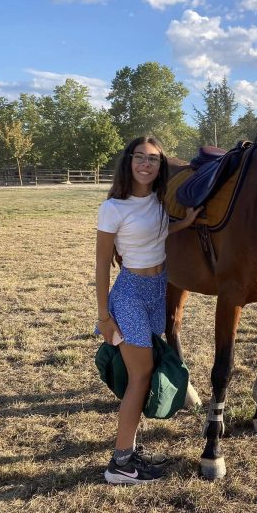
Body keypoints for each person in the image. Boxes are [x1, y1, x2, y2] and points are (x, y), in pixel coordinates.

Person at [95, 135, 200, 485]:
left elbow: (160, 231)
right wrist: (104, 317)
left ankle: (129, 451)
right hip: (129, 295)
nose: (145, 163)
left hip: (157, 291)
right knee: (140, 378)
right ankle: (120, 465)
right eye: (139, 157)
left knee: (142, 375)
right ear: (129, 162)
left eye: (153, 159)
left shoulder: (158, 202)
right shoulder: (114, 207)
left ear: (160, 167)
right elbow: (100, 266)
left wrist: (187, 223)